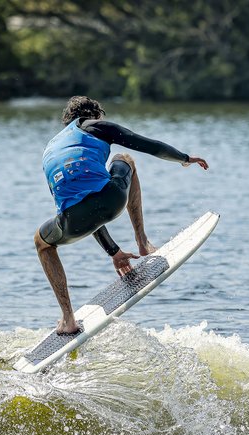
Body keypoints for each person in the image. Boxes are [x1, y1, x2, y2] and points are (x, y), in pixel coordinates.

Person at [34, 96, 209, 334]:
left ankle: (68, 319)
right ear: (94, 115)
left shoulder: (50, 150)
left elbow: (85, 209)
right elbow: (148, 145)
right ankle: (143, 243)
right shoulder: (94, 126)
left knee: (42, 242)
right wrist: (184, 158)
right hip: (111, 199)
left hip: (73, 221)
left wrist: (113, 251)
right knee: (125, 159)